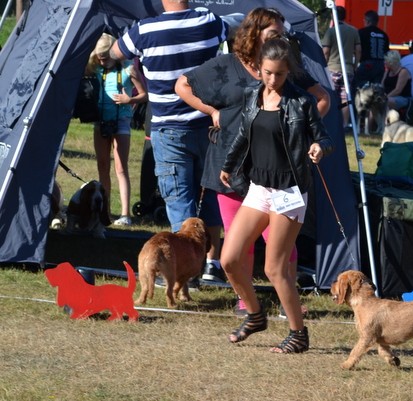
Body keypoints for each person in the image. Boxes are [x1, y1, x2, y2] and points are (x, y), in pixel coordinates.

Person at [175, 7, 329, 316]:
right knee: (238, 241)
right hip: (232, 165)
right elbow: (182, 85)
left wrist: (304, 132)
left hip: (278, 170)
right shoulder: (226, 65)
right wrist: (212, 112)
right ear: (254, 33)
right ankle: (246, 302)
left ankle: (287, 302)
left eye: (281, 34)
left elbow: (322, 97)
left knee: (280, 243)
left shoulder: (284, 65)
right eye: (273, 34)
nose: (279, 39)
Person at [219, 37, 333, 353]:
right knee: (229, 259)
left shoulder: (302, 101)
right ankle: (256, 315)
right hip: (259, 187)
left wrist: (318, 147)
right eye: (268, 72)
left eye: (279, 74)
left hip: (289, 190)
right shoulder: (252, 95)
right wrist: (229, 165)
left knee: (274, 268)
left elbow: (324, 138)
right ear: (259, 68)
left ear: (288, 71)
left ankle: (298, 334)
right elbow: (243, 134)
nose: (272, 80)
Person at [110, 0, 227, 281]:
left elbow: (115, 51)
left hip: (169, 130)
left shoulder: (144, 30)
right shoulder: (208, 21)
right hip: (208, 126)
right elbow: (231, 29)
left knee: (179, 202)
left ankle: (185, 273)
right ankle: (213, 265)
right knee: (212, 196)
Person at [89, 33, 147, 226]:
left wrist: (130, 100)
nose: (102, 62)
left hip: (121, 121)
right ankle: (104, 211)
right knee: (102, 165)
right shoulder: (97, 68)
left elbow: (145, 94)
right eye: (99, 58)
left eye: (105, 58)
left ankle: (125, 214)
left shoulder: (129, 69)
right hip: (100, 122)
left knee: (121, 167)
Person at [322, 5, 361, 128]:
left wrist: (323, 66)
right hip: (348, 69)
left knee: (330, 96)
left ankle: (331, 123)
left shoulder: (331, 31)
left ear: (333, 16)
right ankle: (344, 124)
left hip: (332, 69)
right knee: (345, 98)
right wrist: (355, 65)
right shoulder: (353, 31)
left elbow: (325, 51)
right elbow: (358, 50)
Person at [354, 10, 389, 88]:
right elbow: (387, 52)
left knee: (359, 86)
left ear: (367, 21)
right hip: (380, 65)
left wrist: (355, 64)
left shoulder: (362, 32)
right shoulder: (384, 34)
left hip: (366, 63)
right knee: (377, 88)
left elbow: (358, 49)